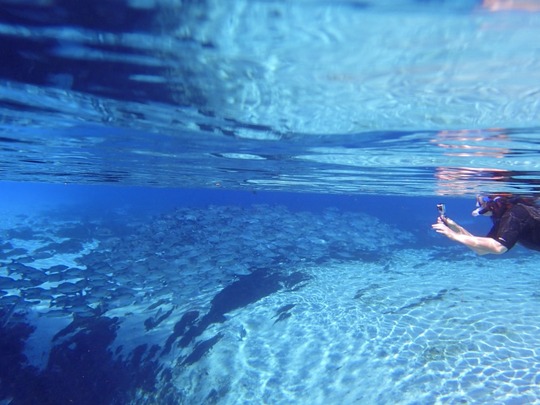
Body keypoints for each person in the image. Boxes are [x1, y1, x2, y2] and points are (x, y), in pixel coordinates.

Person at [432, 195, 540, 255]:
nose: (479, 205)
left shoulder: (515, 212)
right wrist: (455, 228)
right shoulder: (504, 217)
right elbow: (482, 250)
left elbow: (498, 247)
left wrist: (453, 235)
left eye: (481, 201)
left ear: (495, 201)